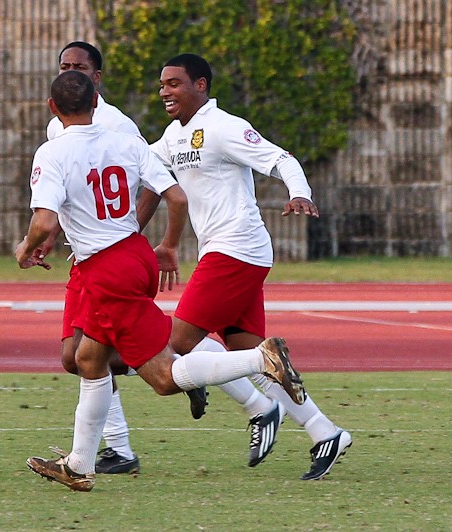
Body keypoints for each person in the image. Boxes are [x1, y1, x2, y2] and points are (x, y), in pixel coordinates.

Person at [17, 70, 306, 492]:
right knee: (88, 358)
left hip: (104, 269)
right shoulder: (126, 141)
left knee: (164, 378)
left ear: (52, 108)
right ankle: (79, 464)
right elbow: (176, 196)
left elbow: (44, 221)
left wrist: (26, 248)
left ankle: (260, 360)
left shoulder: (52, 152)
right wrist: (168, 245)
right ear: (96, 101)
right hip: (135, 253)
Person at [150, 53, 351, 480]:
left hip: (236, 250)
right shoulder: (172, 135)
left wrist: (299, 192)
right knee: (254, 355)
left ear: (200, 85)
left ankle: (256, 407)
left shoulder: (223, 127)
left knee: (176, 345)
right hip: (225, 252)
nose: (165, 91)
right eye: (162, 84)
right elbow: (143, 168)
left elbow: (281, 158)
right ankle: (325, 432)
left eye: (174, 83)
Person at [39, 42, 208, 475]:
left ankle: (238, 365)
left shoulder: (118, 128)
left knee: (162, 375)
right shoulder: (57, 131)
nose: (71, 71)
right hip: (92, 259)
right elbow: (69, 198)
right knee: (79, 358)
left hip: (110, 259)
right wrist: (56, 234)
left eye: (79, 66)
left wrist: (136, 233)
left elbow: (157, 186)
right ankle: (97, 457)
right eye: (65, 65)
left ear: (97, 79)